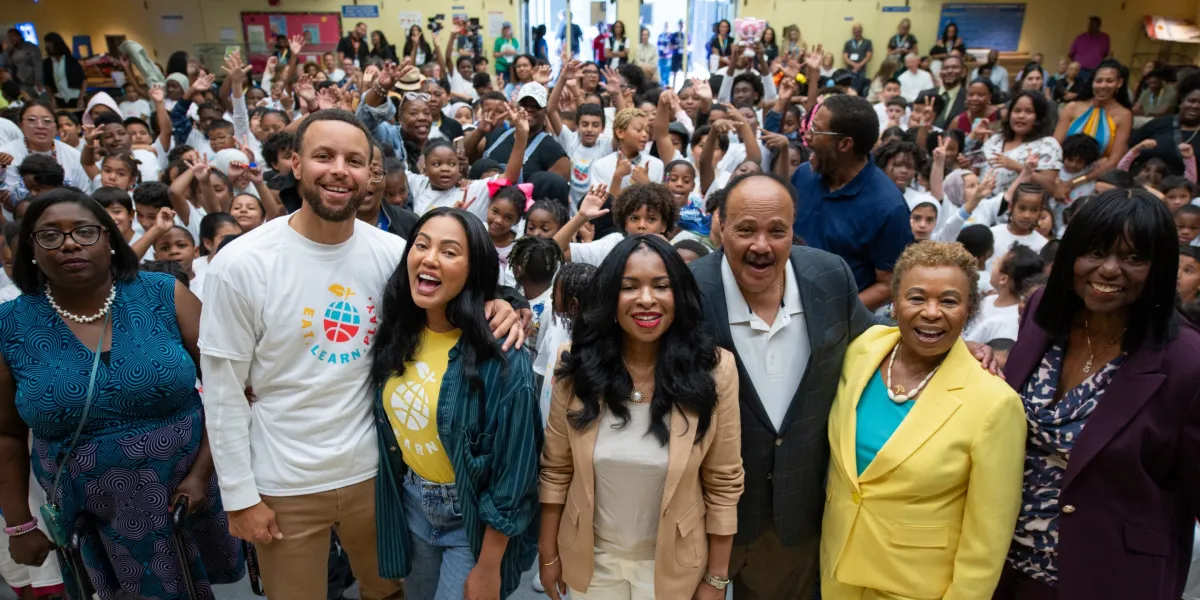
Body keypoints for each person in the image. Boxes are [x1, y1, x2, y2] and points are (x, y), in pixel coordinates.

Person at [197, 109, 520, 600]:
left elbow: (455, 293)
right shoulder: (242, 264)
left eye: (353, 160)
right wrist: (239, 496)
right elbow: (222, 390)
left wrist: (507, 304)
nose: (338, 171)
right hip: (284, 480)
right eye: (323, 156)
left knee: (389, 592)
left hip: (381, 475)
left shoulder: (393, 254)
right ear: (295, 164)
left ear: (371, 173)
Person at [0, 189, 246, 599]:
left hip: (187, 492)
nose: (69, 244)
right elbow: (6, 435)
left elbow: (231, 389)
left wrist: (203, 472)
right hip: (91, 512)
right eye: (50, 235)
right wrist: (20, 524)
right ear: (31, 250)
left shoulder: (164, 294)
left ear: (110, 239)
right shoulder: (9, 325)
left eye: (84, 231)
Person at [994, 189, 1200, 600]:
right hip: (1000, 566)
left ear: (1160, 267)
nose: (1108, 270)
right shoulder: (1043, 311)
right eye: (1094, 251)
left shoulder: (1187, 363)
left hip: (1107, 577)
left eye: (1133, 258)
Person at [688, 171, 880, 600]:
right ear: (721, 227)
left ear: (794, 230)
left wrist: (956, 351)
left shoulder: (830, 276)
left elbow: (875, 343)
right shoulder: (687, 291)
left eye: (777, 231)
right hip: (700, 511)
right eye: (746, 230)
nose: (762, 245)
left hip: (793, 513)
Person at [539, 233, 744, 599]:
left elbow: (723, 482)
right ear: (609, 297)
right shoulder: (576, 365)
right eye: (629, 286)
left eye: (661, 286)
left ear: (679, 296)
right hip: (591, 561)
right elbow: (556, 469)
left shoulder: (715, 371)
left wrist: (716, 577)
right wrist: (548, 550)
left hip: (672, 566)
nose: (646, 299)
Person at [822, 241, 1025, 600]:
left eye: (949, 301)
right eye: (916, 298)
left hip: (917, 587)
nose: (931, 312)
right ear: (894, 303)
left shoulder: (995, 403)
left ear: (969, 309)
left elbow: (988, 537)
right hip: (837, 574)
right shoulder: (863, 349)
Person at [369, 207, 541, 599]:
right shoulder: (398, 330)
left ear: (474, 269)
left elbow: (515, 475)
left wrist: (489, 566)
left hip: (471, 520)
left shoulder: (502, 354)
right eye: (422, 245)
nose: (430, 258)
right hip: (412, 503)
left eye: (449, 252)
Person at [793, 94, 912, 310]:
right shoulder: (803, 175)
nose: (807, 137)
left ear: (845, 144)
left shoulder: (888, 208)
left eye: (816, 130)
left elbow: (889, 284)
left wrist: (836, 315)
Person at [0, 102, 91, 208]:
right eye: (32, 120)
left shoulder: (75, 156)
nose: (40, 126)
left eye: (47, 121)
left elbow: (84, 197)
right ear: (21, 125)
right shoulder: (5, 155)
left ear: (56, 127)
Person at [1057, 58, 1133, 174]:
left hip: (1098, 176)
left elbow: (1113, 161)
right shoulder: (1072, 107)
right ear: (1092, 82)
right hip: (1062, 171)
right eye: (1098, 81)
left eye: (1109, 81)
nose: (1102, 86)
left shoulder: (1124, 115)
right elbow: (1055, 147)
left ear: (1119, 83)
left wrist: (1075, 182)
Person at [981, 91, 1063, 197]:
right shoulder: (996, 139)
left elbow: (1050, 187)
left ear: (1039, 117)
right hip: (982, 203)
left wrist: (1018, 167)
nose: (1021, 116)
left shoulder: (1048, 145)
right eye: (1017, 110)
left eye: (1029, 112)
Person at [1128, 72, 1200, 176]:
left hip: (1186, 185)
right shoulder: (1156, 125)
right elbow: (1129, 153)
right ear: (1181, 101)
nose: (1195, 106)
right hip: (1143, 182)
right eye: (1191, 101)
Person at [40, 33, 84, 110]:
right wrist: (52, 99)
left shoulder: (71, 60)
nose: (47, 46)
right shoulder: (47, 63)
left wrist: (81, 98)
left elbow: (84, 79)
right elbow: (47, 84)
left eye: (50, 43)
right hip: (59, 99)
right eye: (46, 43)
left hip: (75, 97)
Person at [4, 29, 42, 100]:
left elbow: (38, 65)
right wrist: (6, 51)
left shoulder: (31, 47)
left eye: (13, 36)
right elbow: (8, 65)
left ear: (20, 36)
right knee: (28, 101)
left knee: (40, 101)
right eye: (9, 37)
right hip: (22, 82)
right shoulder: (13, 51)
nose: (11, 39)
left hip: (34, 82)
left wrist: (38, 81)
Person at [933, 55, 969, 129]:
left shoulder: (969, 98)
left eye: (954, 67)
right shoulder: (926, 95)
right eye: (945, 68)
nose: (949, 71)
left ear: (964, 72)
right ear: (940, 73)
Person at [842, 23, 873, 95]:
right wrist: (854, 65)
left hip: (861, 69)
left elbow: (869, 56)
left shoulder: (867, 42)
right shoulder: (848, 43)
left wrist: (859, 65)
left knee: (859, 88)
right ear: (853, 31)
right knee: (848, 88)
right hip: (849, 69)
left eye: (858, 30)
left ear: (861, 30)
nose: (857, 32)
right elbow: (845, 57)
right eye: (855, 30)